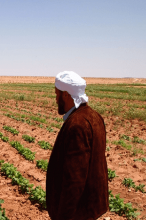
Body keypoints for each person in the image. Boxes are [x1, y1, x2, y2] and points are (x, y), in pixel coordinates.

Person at [46, 71, 108, 220]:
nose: (55, 100)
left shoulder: (77, 125)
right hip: (92, 207)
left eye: (57, 95)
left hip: (79, 212)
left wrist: (64, 216)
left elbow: (74, 179)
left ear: (66, 95)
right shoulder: (94, 116)